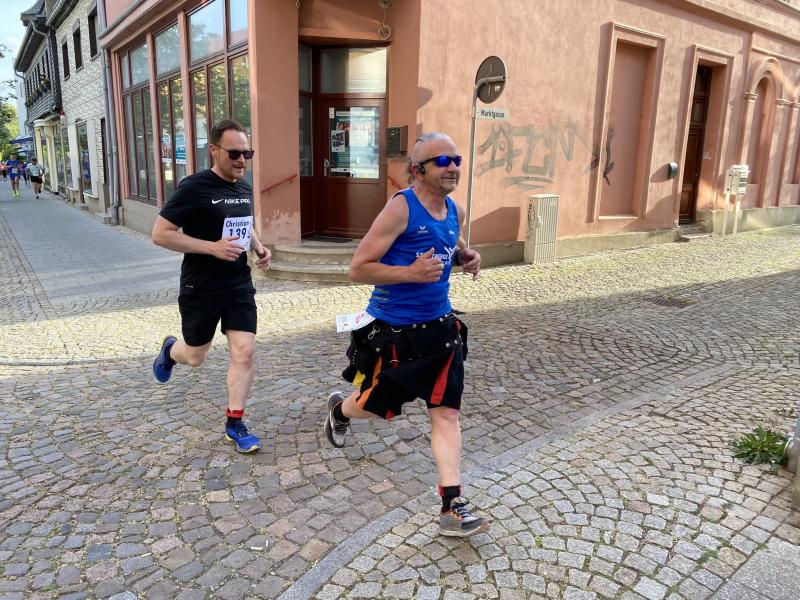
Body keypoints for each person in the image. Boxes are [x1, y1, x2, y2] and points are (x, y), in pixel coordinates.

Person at [323, 132, 488, 537]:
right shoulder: (400, 209)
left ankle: (452, 506)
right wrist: (410, 274)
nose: (453, 167)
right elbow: (358, 268)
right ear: (418, 170)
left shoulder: (455, 210)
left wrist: (464, 256)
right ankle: (340, 411)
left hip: (442, 331)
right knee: (374, 406)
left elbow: (450, 243)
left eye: (456, 159)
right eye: (442, 161)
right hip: (395, 335)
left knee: (446, 414)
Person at [151, 119, 271, 454]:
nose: (242, 160)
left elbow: (244, 223)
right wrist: (212, 247)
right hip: (200, 286)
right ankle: (170, 351)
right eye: (235, 153)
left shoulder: (243, 188)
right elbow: (160, 234)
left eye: (247, 153)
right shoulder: (194, 187)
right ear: (215, 151)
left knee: (245, 352)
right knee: (195, 356)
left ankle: (235, 423)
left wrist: (258, 246)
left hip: (238, 285)